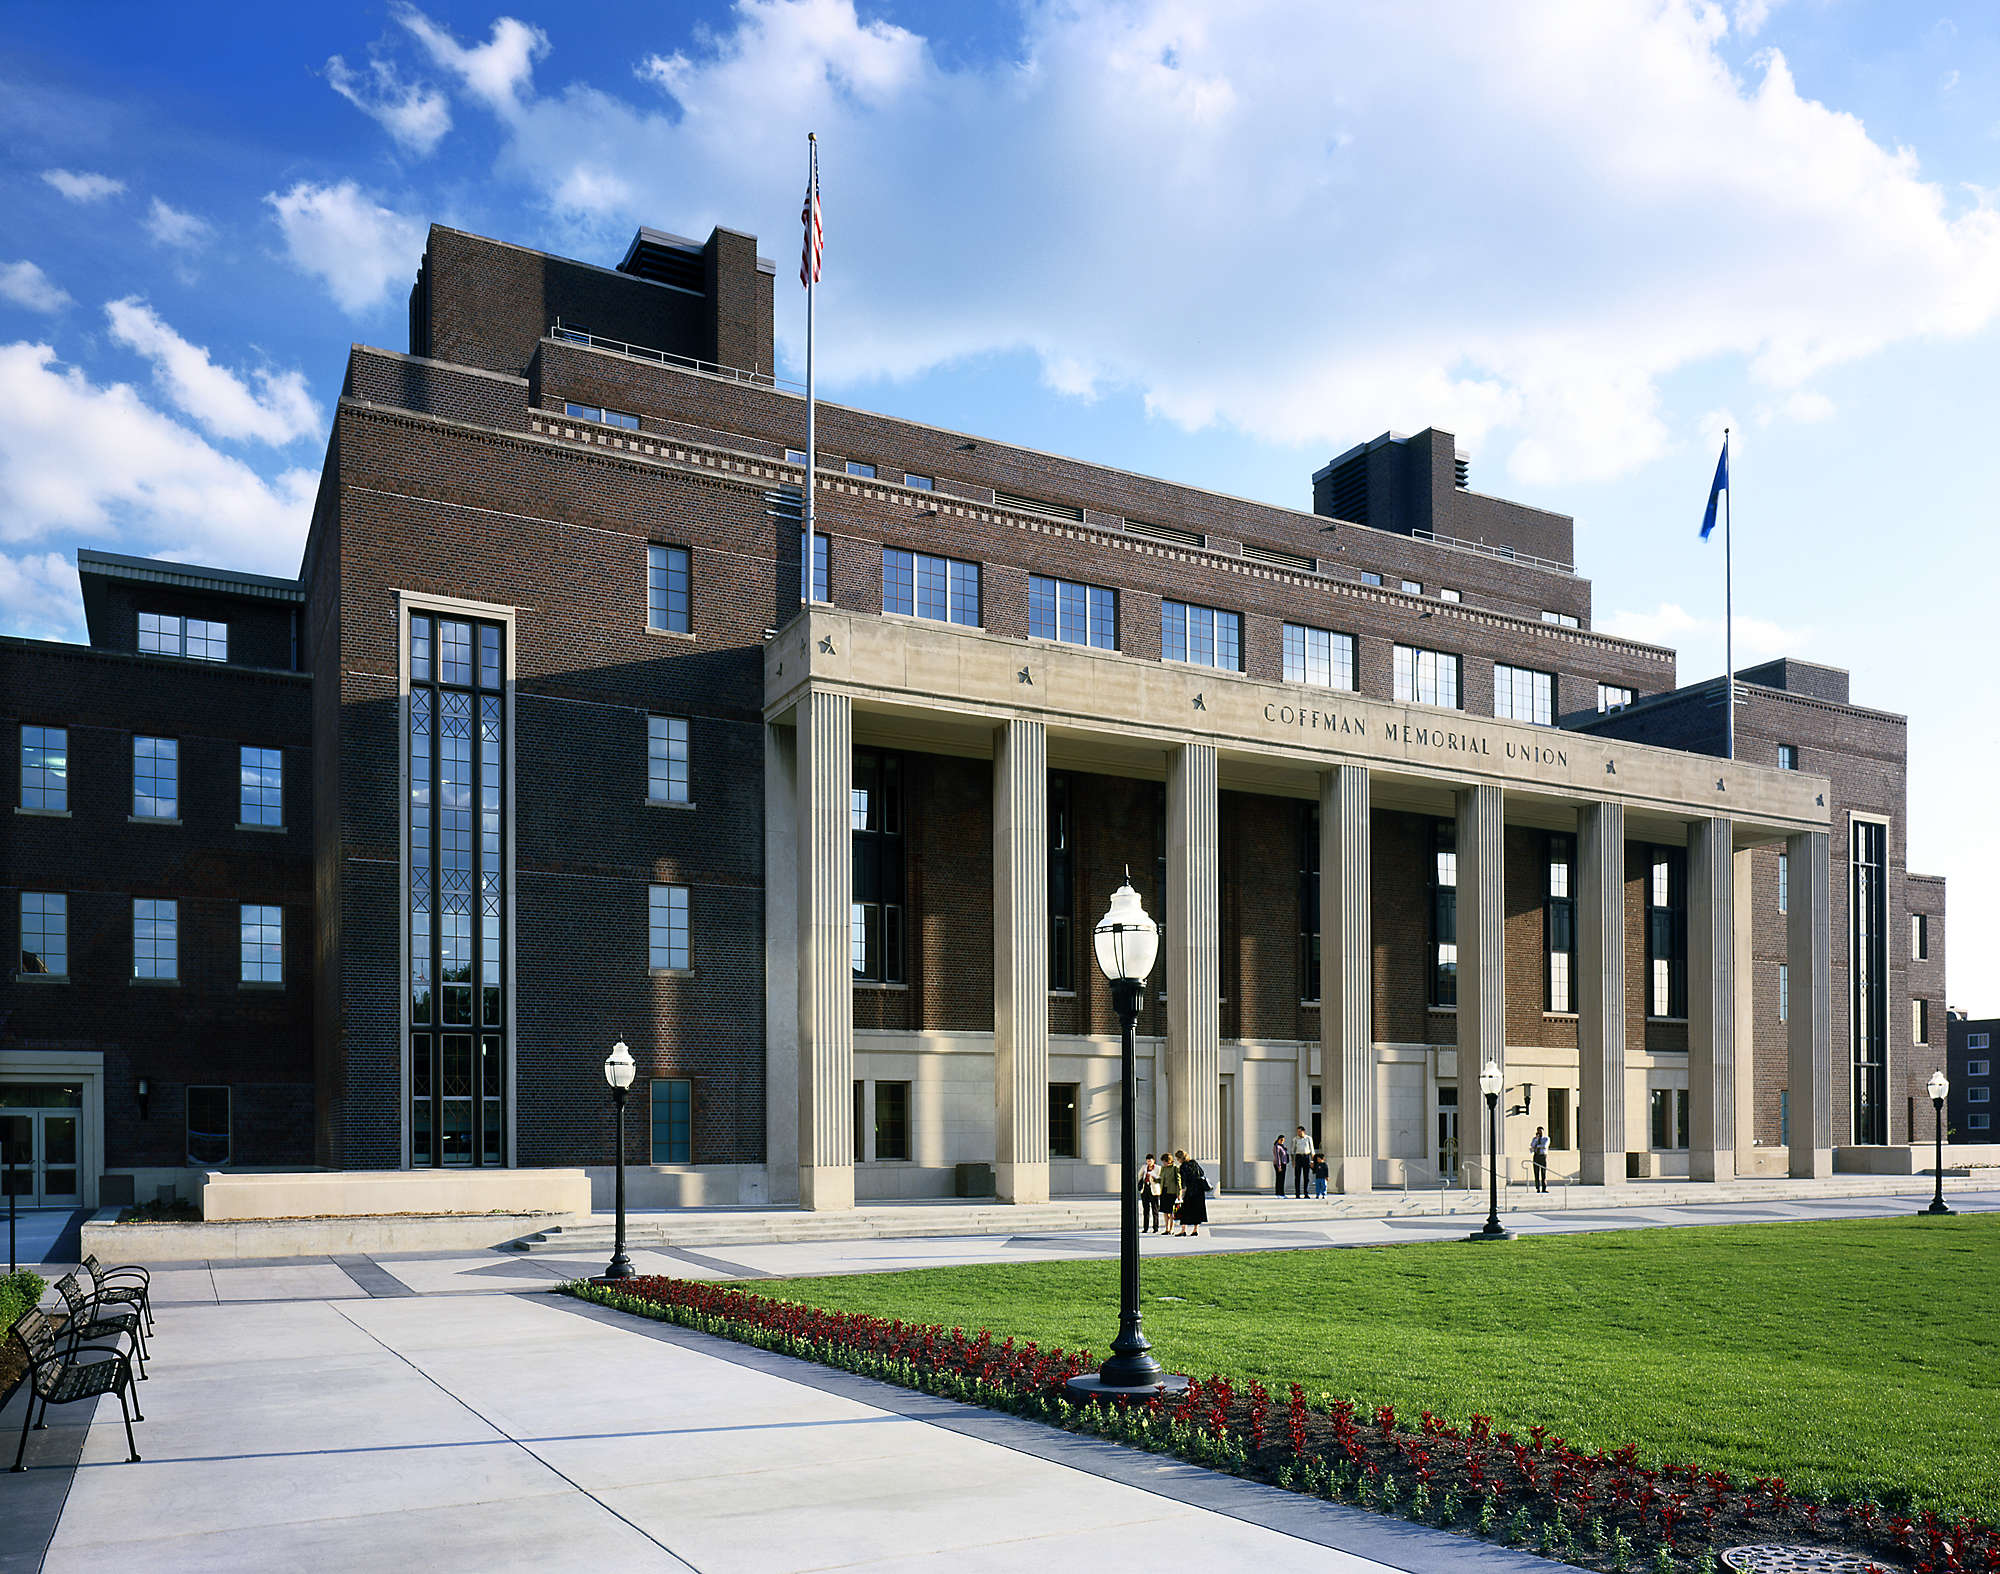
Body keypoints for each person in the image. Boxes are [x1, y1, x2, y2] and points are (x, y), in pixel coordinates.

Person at [1175, 1148, 1209, 1237]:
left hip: (1190, 1191)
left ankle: (1183, 1230)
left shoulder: (1183, 1166)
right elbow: (1202, 1173)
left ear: (1180, 1158)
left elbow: (1183, 1181)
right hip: (1199, 1190)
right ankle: (1195, 1230)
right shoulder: (1194, 1163)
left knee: (1185, 1210)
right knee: (1197, 1210)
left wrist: (1182, 1192)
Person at [1158, 1151, 1181, 1235]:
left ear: (1169, 1161)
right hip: (1164, 1191)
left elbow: (1178, 1181)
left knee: (1171, 1211)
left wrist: (1179, 1194)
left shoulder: (1175, 1168)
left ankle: (1171, 1229)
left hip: (1172, 1192)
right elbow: (1161, 1179)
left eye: (1164, 1161)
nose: (1163, 1163)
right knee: (1165, 1211)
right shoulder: (1163, 1168)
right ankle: (1166, 1228)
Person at [1292, 1126, 1315, 1198]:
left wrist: (1312, 1161)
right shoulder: (1295, 1139)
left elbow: (1312, 1150)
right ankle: (1297, 1193)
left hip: (1306, 1157)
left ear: (1303, 1131)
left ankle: (1306, 1193)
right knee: (1297, 1176)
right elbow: (1293, 1151)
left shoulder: (1308, 1138)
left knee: (1306, 1176)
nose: (1298, 1133)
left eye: (1299, 1131)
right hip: (1298, 1157)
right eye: (1297, 1131)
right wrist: (1293, 1161)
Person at [1140, 1153, 1160, 1233]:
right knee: (1146, 1210)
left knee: (1155, 1209)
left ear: (1153, 1161)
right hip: (1145, 1189)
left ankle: (1155, 1227)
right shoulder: (1144, 1168)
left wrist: (1153, 1176)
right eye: (1147, 1161)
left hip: (1154, 1190)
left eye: (1150, 1161)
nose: (1149, 1162)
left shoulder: (1158, 1168)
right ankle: (1145, 1227)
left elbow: (1160, 1178)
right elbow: (1139, 1176)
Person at [1530, 1125, 1550, 1194]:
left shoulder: (1546, 1138)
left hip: (1542, 1156)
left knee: (1543, 1172)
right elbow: (1532, 1145)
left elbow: (1544, 1146)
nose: (1540, 1132)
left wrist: (1537, 1146)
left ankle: (1544, 1188)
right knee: (1536, 1172)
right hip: (1536, 1156)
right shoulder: (1535, 1139)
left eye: (1541, 1131)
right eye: (1538, 1131)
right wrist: (1536, 1139)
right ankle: (1537, 1188)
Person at [1270, 1133, 1290, 1197]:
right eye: (1281, 1140)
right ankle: (1279, 1193)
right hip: (1279, 1164)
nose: (1282, 1141)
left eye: (1283, 1140)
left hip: (1283, 1163)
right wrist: (1279, 1166)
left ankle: (1281, 1193)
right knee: (1279, 1179)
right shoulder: (1276, 1146)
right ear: (1278, 1139)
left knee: (1282, 1179)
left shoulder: (1282, 1146)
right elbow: (1277, 1157)